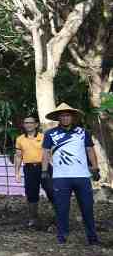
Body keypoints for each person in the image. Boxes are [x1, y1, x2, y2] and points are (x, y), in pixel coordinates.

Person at [42, 103, 101, 246]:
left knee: (87, 208)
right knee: (61, 208)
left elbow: (90, 150)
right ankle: (62, 237)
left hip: (82, 176)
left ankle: (92, 237)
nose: (65, 118)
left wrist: (95, 168)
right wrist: (44, 171)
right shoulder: (50, 134)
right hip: (60, 177)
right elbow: (46, 153)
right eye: (62, 116)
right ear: (58, 118)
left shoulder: (83, 132)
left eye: (68, 115)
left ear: (73, 117)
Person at [13, 115, 52, 229]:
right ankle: (33, 218)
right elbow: (18, 156)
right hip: (29, 169)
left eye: (31, 122)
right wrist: (17, 172)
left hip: (44, 167)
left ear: (36, 125)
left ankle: (59, 215)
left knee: (51, 191)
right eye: (26, 123)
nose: (28, 125)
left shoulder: (44, 137)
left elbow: (49, 153)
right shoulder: (20, 139)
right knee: (31, 193)